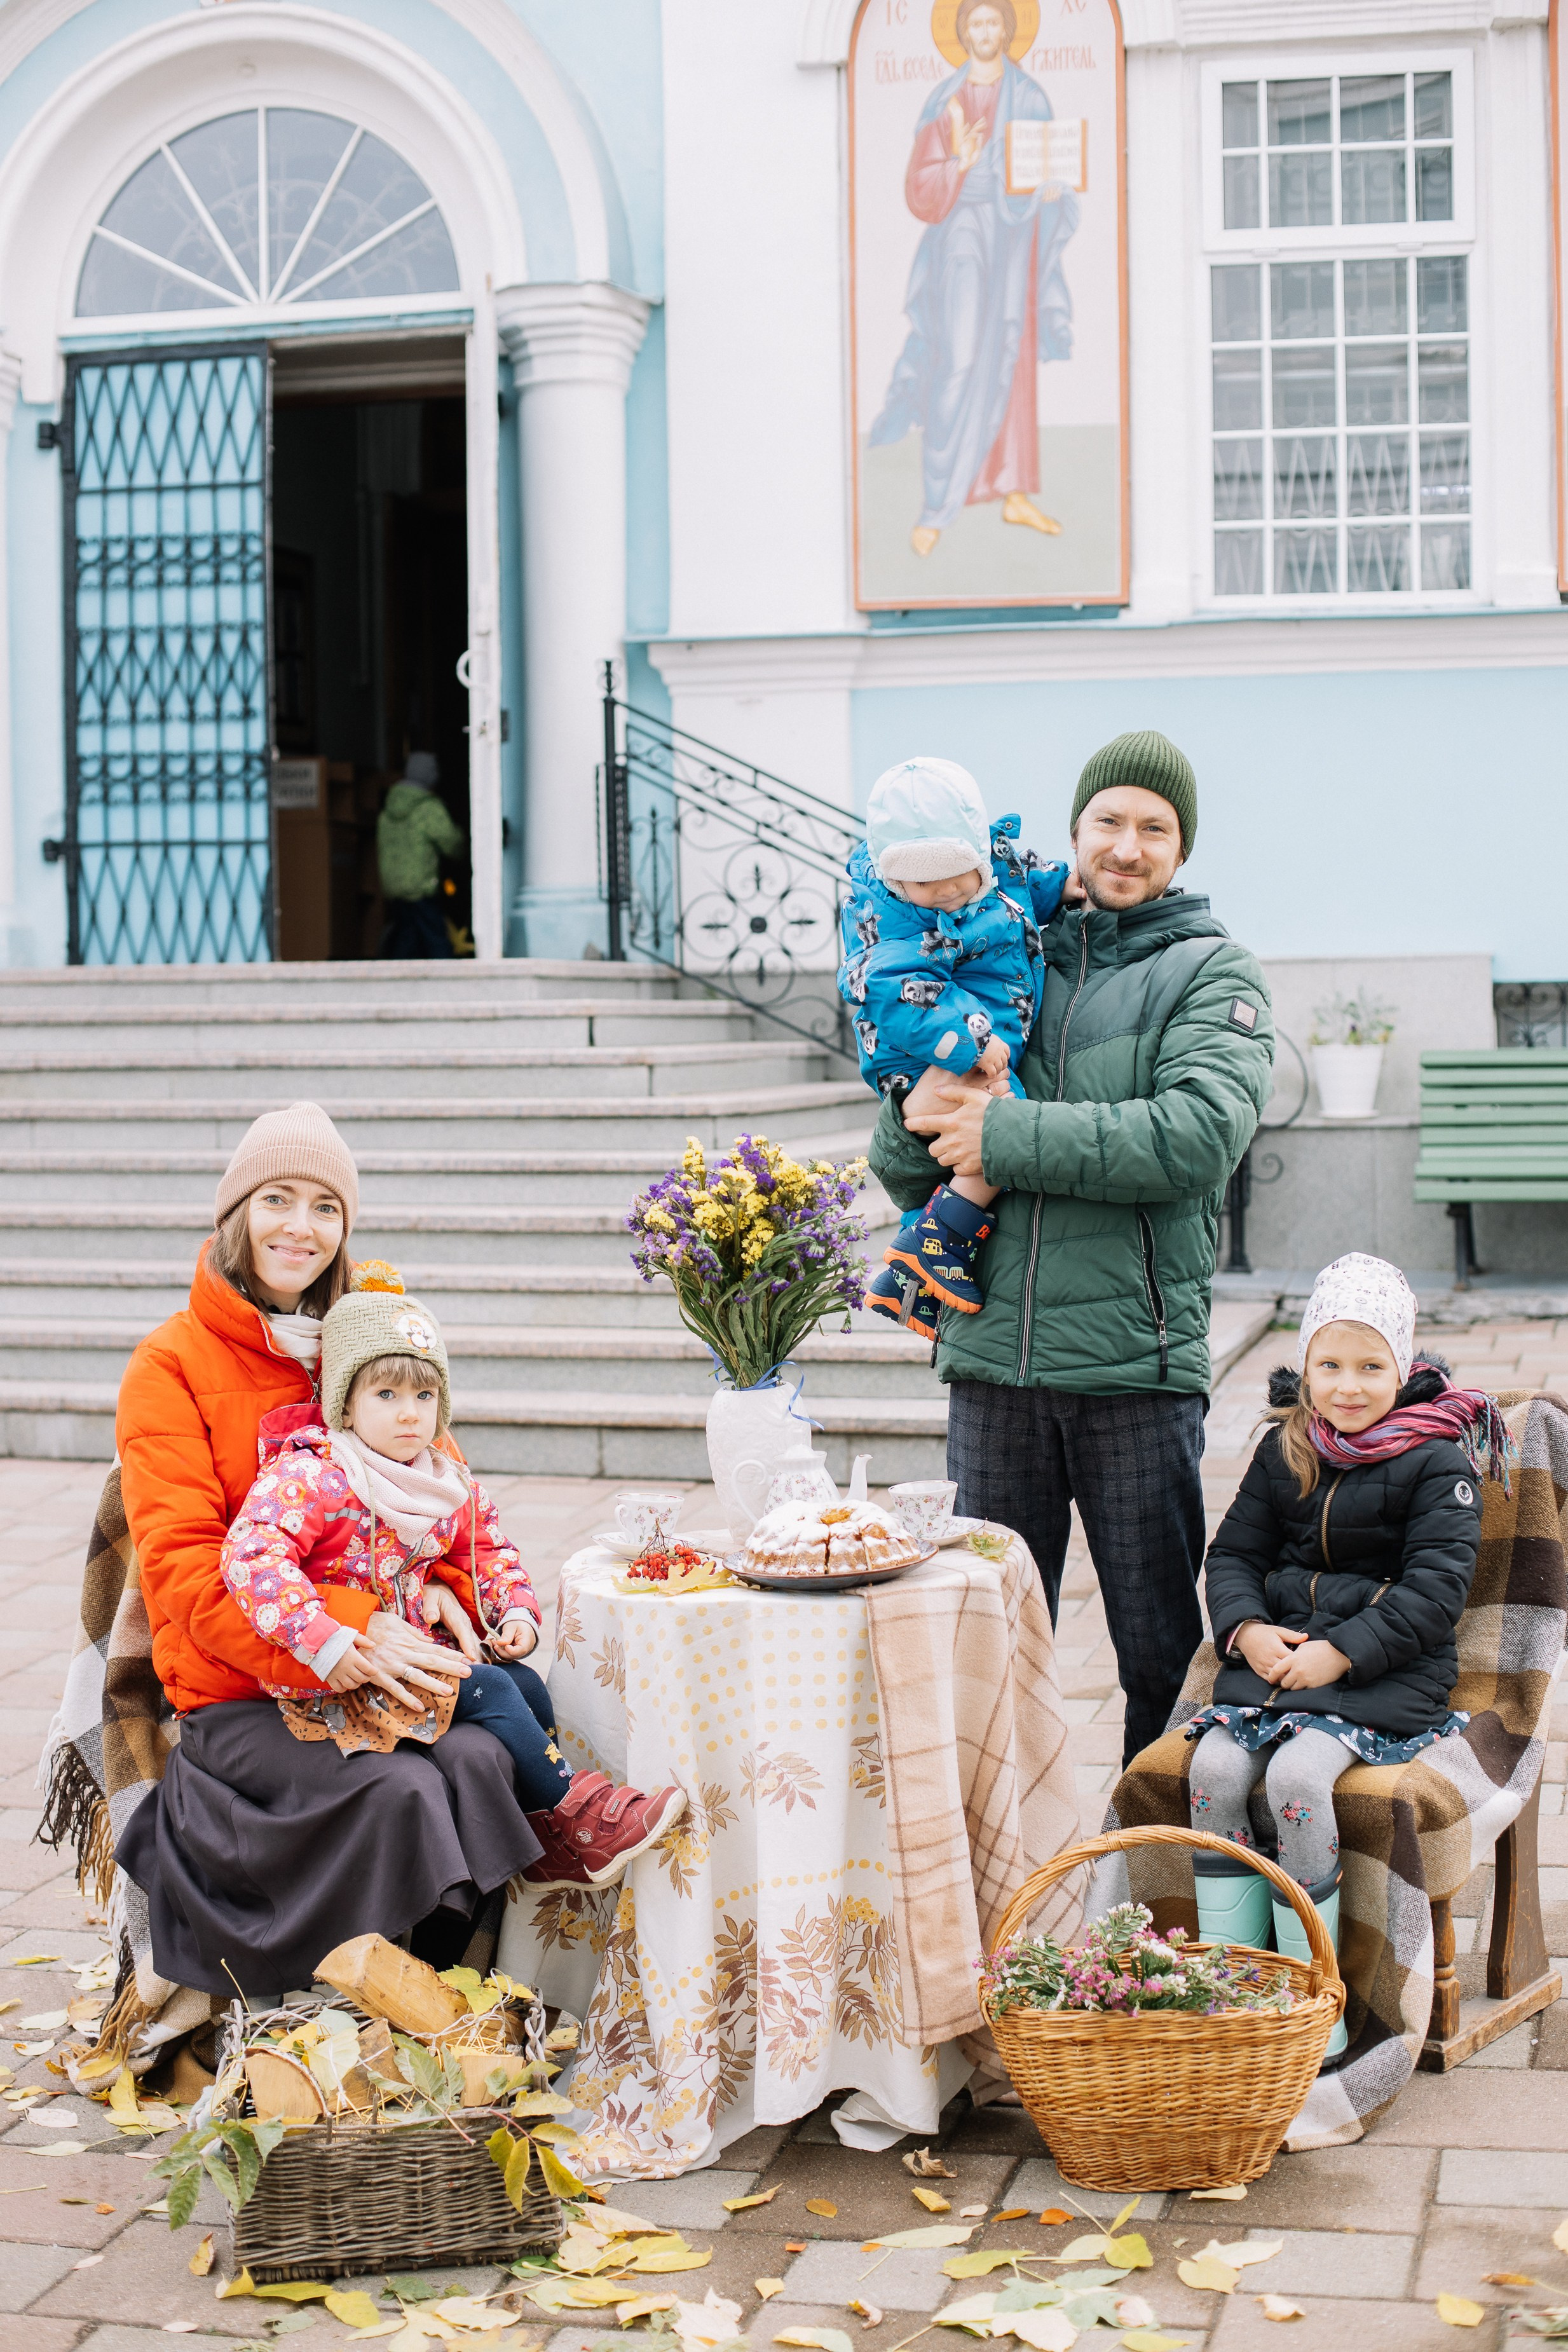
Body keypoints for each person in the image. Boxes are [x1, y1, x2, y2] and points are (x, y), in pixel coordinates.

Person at [869, 730, 1275, 1766]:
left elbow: (1193, 1138)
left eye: (1154, 827)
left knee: (1156, 1656)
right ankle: (1009, 1887)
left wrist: (1001, 1134)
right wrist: (906, 1105)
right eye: (1109, 821)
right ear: (1075, 833)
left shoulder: (1210, 971)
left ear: (1180, 848)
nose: (1127, 845)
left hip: (1132, 1370)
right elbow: (912, 1165)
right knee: (993, 1651)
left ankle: (1159, 1875)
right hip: (991, 1364)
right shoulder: (1002, 953)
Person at [113, 1104, 545, 1996]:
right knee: (406, 1793)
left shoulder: (362, 1346)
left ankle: (428, 2004)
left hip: (381, 1669)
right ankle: (324, 2011)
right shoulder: (171, 1364)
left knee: (481, 1753)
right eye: (277, 1199)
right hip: (243, 1690)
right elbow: (185, 1575)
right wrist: (354, 1629)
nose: (299, 1228)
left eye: (325, 1207)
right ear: (237, 1213)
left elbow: (451, 1502)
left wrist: (451, 1593)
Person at [219, 1284, 686, 1890]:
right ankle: (584, 1819)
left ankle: (548, 1837)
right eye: (385, 1395)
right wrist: (322, 1638)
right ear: (346, 1404)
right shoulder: (314, 1476)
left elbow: (487, 1548)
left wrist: (513, 1608)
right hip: (344, 1673)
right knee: (490, 1686)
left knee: (521, 1681)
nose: (409, 1412)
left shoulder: (441, 1480)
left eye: (424, 1394)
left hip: (413, 1653)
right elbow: (253, 1556)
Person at [1185, 1253, 1502, 2065]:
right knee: (1213, 1773)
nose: (1348, 1386)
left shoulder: (1437, 1460)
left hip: (1385, 1674)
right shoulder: (1286, 1447)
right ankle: (1231, 1985)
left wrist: (1340, 1654)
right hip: (1278, 1662)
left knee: (1295, 1780)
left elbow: (1435, 1595)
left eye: (1370, 1366)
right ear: (1305, 1366)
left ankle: (1310, 2001)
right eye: (1329, 1365)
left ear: (1404, 1364)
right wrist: (1247, 1629)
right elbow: (1231, 1556)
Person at [837, 757, 1068, 1334]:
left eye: (955, 876)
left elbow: (1019, 890)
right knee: (1004, 1129)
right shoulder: (892, 921)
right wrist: (970, 1041)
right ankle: (938, 1240)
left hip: (974, 1037)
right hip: (928, 1051)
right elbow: (897, 993)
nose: (941, 892)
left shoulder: (994, 874)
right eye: (921, 883)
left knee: (979, 1143)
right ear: (894, 881)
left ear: (980, 857)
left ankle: (903, 1283)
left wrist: (1061, 884)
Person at [870, 0, 1079, 557]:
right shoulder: (944, 101)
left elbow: (1046, 165)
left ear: (1007, 31)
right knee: (959, 357)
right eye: (976, 24)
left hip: (1014, 234)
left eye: (993, 23)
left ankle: (1011, 489)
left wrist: (1050, 190)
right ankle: (937, 504)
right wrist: (959, 161)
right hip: (962, 231)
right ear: (962, 33)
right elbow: (920, 186)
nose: (985, 33)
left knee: (1010, 351)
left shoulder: (1030, 96)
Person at [378, 751, 464, 959]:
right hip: (422, 885)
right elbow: (451, 842)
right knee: (435, 937)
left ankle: (397, 978)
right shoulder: (429, 809)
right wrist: (463, 846)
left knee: (407, 935)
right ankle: (447, 980)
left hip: (394, 886)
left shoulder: (388, 809)